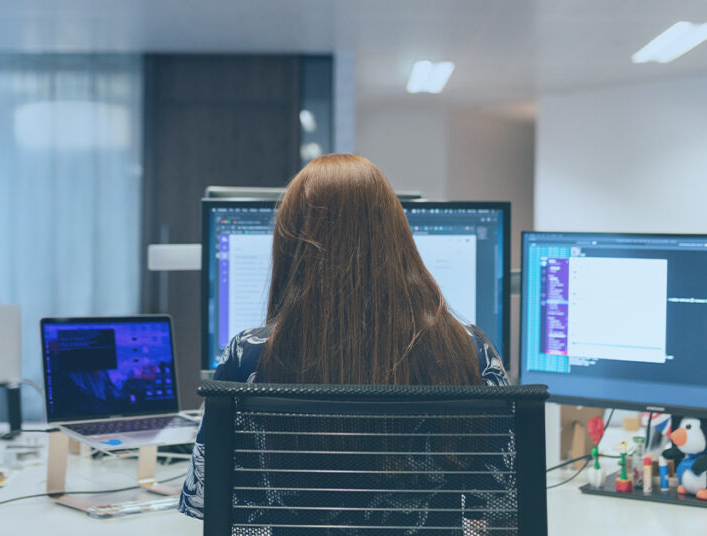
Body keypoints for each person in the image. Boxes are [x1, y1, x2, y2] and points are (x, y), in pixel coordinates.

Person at [179, 153, 509, 521]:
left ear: (291, 245)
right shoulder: (471, 351)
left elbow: (206, 499)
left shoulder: (248, 355)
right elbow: (503, 505)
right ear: (398, 236)